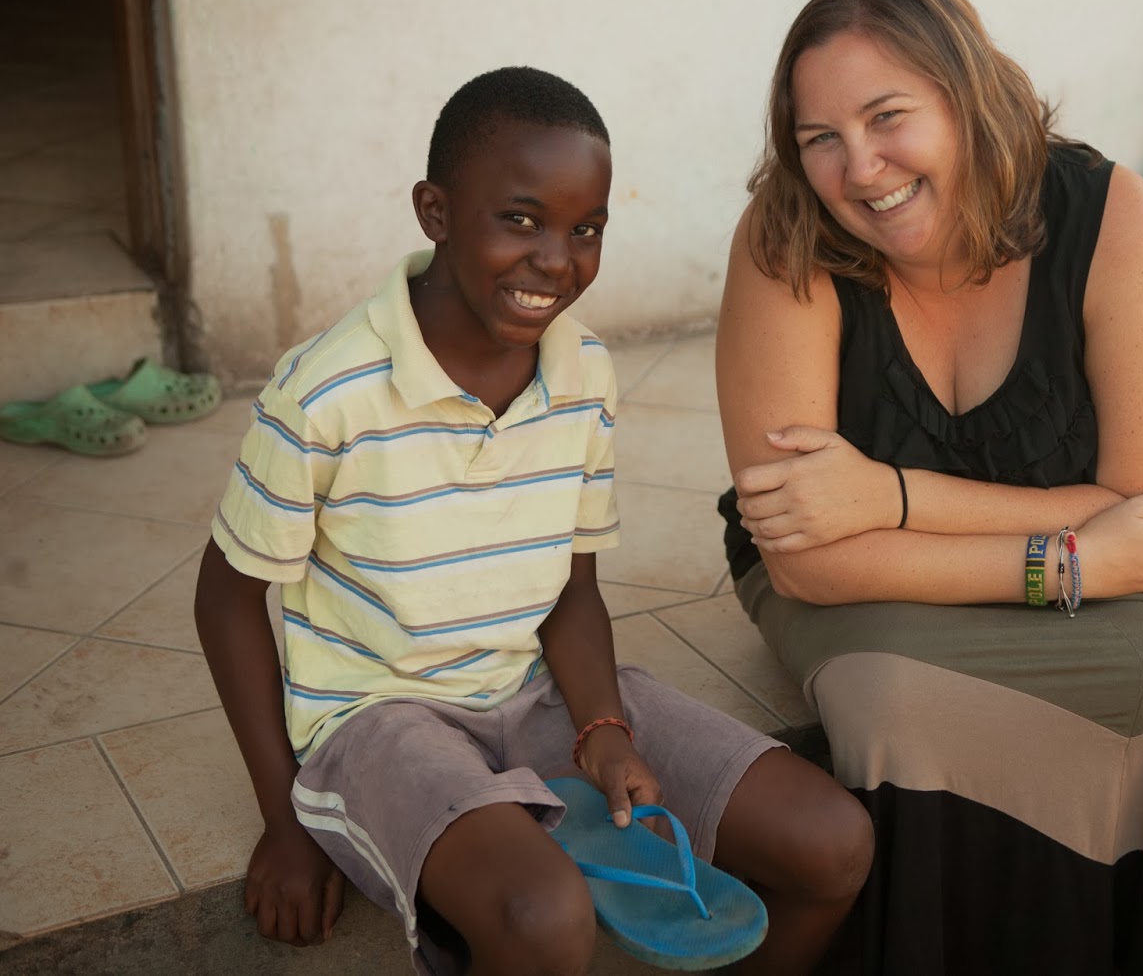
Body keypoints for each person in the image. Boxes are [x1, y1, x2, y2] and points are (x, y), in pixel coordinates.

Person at [194, 66, 872, 976]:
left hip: (538, 691)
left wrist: (604, 728)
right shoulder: (326, 392)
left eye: (586, 229)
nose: (557, 259)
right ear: (435, 212)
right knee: (543, 915)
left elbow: (572, 588)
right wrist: (286, 819)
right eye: (521, 219)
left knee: (834, 841)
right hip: (378, 719)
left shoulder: (583, 372)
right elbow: (226, 600)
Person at [716, 0, 1143, 975]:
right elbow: (808, 557)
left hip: (962, 549)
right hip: (854, 579)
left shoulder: (1116, 220)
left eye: (886, 117)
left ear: (965, 95)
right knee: (898, 698)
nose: (860, 168)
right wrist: (1068, 562)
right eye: (820, 138)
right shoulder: (787, 237)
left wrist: (889, 495)